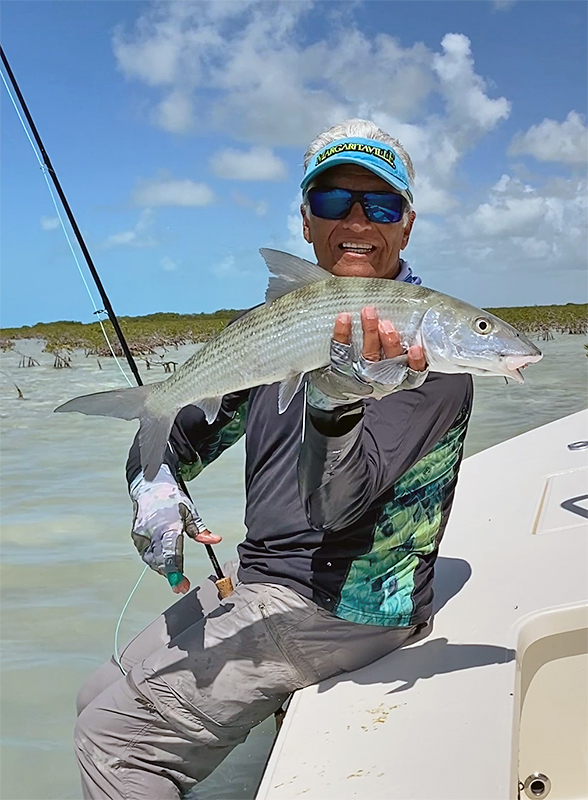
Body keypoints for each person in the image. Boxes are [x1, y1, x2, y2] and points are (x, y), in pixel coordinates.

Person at [74, 119, 473, 799]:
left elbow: (344, 505)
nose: (356, 220)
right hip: (263, 573)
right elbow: (172, 438)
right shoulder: (267, 331)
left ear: (406, 225)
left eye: (378, 206)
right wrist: (155, 492)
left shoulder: (426, 356)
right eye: (332, 202)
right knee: (96, 693)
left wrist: (339, 398)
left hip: (344, 605)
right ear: (306, 221)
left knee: (113, 742)